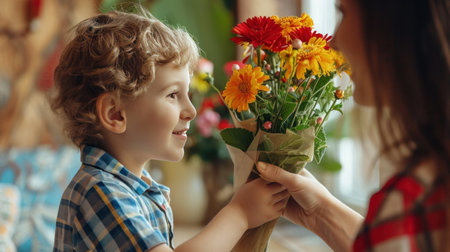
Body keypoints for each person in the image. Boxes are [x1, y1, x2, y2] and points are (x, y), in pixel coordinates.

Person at [50, 10, 289, 252]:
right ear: (115, 114)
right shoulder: (100, 193)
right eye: (173, 94)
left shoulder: (131, 187)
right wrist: (240, 214)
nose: (191, 111)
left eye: (188, 94)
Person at [256, 0, 449, 251]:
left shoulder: (412, 203)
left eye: (343, 12)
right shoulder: (425, 199)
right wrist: (320, 213)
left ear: (388, 26)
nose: (333, 42)